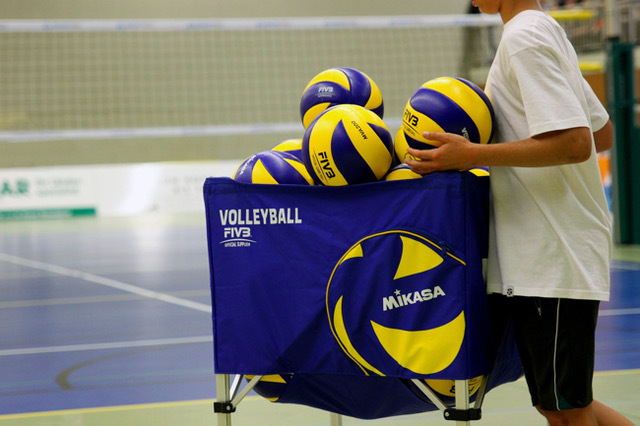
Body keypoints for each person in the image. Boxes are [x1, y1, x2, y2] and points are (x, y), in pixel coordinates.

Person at [405, 1, 633, 425]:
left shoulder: (524, 39)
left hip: (554, 251)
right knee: (558, 405)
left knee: (567, 412)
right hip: (544, 252)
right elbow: (601, 132)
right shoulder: (540, 30)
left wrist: (474, 153)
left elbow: (577, 143)